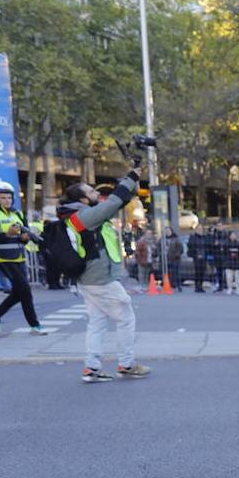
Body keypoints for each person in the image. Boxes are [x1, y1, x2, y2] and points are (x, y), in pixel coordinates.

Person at [60, 162, 152, 381]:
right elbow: (111, 204)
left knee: (98, 322)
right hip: (99, 278)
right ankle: (126, 364)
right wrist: (130, 177)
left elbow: (117, 203)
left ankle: (91, 368)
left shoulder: (81, 215)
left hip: (89, 278)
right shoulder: (83, 217)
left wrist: (132, 183)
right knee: (126, 316)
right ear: (82, 200)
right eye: (91, 192)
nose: (96, 193)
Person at [0, 180, 47, 335]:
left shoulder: (18, 213)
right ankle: (35, 325)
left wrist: (25, 238)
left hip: (19, 256)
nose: (7, 201)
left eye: (9, 198)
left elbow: (23, 238)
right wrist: (6, 234)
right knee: (25, 289)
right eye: (3, 198)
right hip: (2, 257)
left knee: (19, 292)